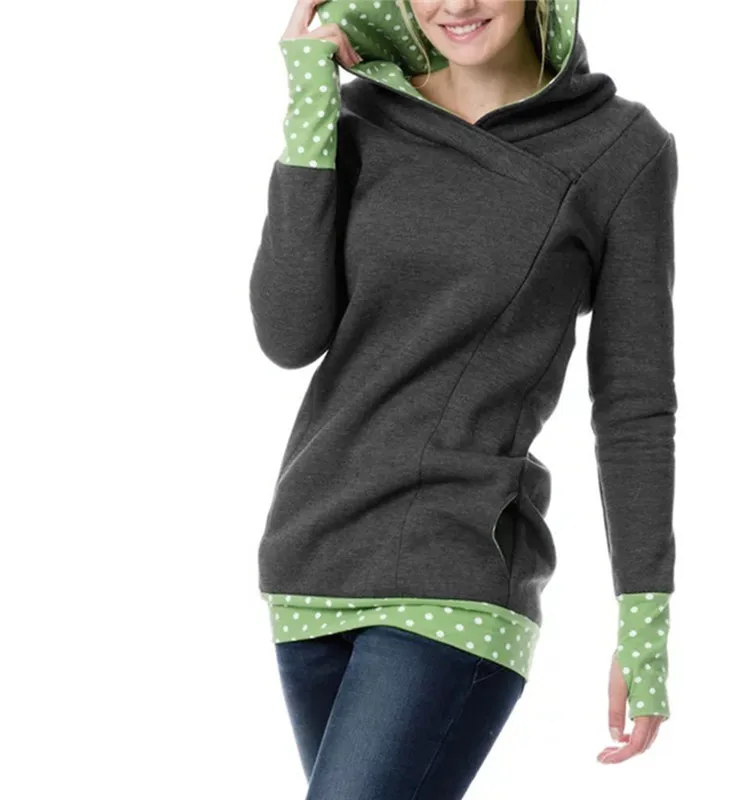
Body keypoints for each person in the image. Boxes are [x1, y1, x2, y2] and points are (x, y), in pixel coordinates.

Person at [249, 0, 678, 792]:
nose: (456, 4)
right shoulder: (363, 117)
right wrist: (309, 98)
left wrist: (643, 628)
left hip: (459, 567)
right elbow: (289, 334)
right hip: (314, 554)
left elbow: (634, 401)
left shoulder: (619, 148)